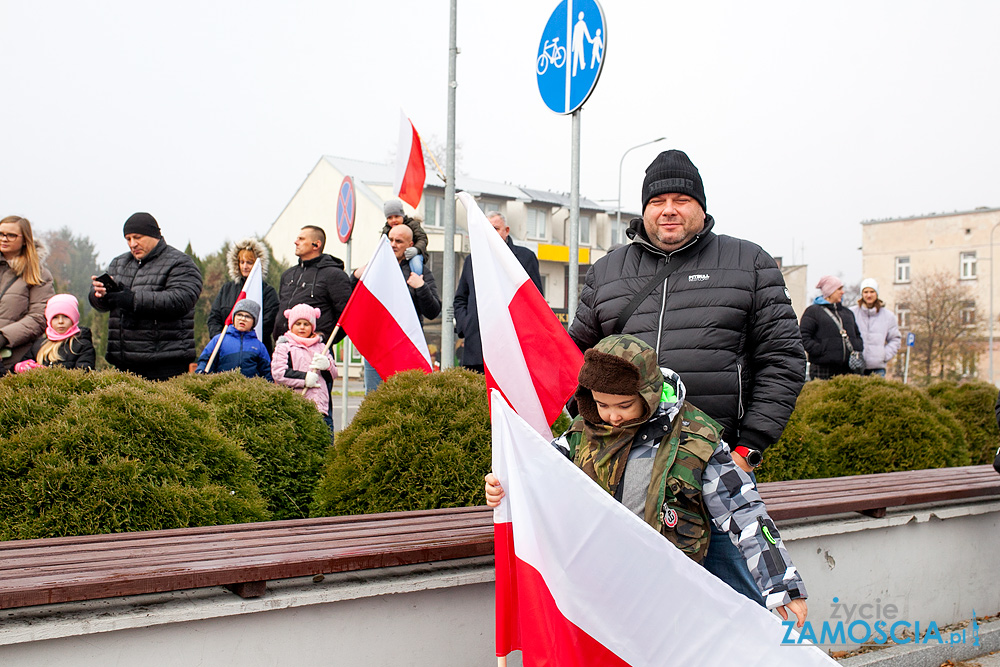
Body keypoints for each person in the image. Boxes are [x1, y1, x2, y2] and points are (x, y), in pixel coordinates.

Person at [568, 149, 805, 604]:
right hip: (620, 477)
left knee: (736, 609)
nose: (669, 210)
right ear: (644, 210)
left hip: (709, 472)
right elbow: (574, 362)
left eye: (681, 199)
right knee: (635, 611)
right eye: (657, 201)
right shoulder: (607, 271)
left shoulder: (749, 263)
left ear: (701, 206)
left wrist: (748, 450)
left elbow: (784, 359)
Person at [484, 334, 808, 626]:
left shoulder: (698, 440)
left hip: (674, 593)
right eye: (601, 404)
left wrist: (782, 583)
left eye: (624, 405)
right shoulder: (583, 432)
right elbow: (537, 471)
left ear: (648, 393)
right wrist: (503, 486)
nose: (612, 416)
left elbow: (745, 512)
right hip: (600, 588)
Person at [89, 212, 203, 381]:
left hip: (165, 366)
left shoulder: (180, 263)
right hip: (123, 363)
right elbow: (102, 304)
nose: (132, 244)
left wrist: (132, 300)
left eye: (137, 237)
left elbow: (180, 300)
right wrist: (100, 295)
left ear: (154, 235)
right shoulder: (119, 263)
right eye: (128, 239)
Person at [353, 223, 441, 393]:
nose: (393, 244)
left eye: (399, 241)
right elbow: (353, 299)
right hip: (376, 347)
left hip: (404, 347)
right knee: (374, 402)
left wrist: (421, 287)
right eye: (390, 239)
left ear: (410, 245)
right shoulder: (374, 267)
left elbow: (433, 311)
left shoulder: (419, 271)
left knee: (405, 400)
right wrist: (354, 277)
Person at [454, 211, 542, 373]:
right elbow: (460, 299)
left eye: (495, 228)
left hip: (513, 349)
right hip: (477, 349)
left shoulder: (524, 258)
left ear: (506, 230)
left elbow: (535, 301)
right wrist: (466, 325)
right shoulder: (472, 261)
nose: (490, 233)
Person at [272, 225, 352, 345]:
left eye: (301, 239)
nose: (296, 242)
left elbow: (347, 316)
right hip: (284, 348)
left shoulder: (334, 275)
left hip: (316, 351)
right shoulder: (288, 275)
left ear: (316, 245)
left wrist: (324, 339)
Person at [0, 215, 55, 373]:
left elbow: (39, 317)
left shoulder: (39, 274)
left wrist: (4, 337)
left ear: (25, 240)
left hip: (13, 360)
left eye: (11, 235)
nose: (4, 239)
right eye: (1, 234)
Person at [272, 304, 337, 432]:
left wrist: (327, 366)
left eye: (306, 324)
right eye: (298, 323)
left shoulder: (321, 347)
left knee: (325, 445)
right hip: (296, 406)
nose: (302, 327)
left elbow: (333, 375)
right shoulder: (284, 346)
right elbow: (279, 373)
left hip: (321, 408)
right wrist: (304, 378)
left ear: (312, 327)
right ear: (291, 325)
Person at [208, 238, 279, 353]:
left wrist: (244, 341)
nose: (245, 266)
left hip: (256, 351)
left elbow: (268, 323)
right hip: (226, 350)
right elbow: (214, 319)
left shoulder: (267, 292)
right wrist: (224, 340)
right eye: (242, 262)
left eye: (249, 262)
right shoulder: (227, 289)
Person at [799, 275, 864, 380]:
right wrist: (821, 351)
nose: (842, 292)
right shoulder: (813, 312)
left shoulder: (848, 313)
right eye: (839, 289)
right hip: (822, 369)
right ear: (830, 291)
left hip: (848, 370)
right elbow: (803, 337)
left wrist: (857, 347)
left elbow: (857, 335)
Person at [196, 299, 272, 380]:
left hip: (249, 390)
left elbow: (266, 372)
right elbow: (205, 361)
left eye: (248, 316)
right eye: (239, 315)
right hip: (221, 388)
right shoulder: (219, 340)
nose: (242, 319)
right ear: (233, 317)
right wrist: (201, 373)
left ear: (254, 321)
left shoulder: (259, 346)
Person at [15, 294, 95, 371]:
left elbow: (83, 374)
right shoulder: (39, 346)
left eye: (66, 316)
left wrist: (49, 373)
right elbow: (14, 372)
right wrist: (20, 367)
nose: (60, 321)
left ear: (74, 319)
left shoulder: (82, 345)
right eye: (55, 317)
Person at [849, 278, 901, 377]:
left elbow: (895, 339)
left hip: (877, 368)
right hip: (855, 367)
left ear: (876, 293)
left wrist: (884, 355)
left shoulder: (888, 316)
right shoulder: (852, 313)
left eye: (872, 292)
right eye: (866, 292)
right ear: (862, 294)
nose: (869, 295)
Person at [380, 200, 428, 276]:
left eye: (396, 216)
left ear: (402, 215)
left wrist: (416, 249)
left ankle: (417, 279)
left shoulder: (412, 225)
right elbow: (382, 245)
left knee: (416, 263)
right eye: (390, 218)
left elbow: (422, 239)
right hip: (394, 256)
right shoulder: (386, 230)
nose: (394, 220)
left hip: (414, 254)